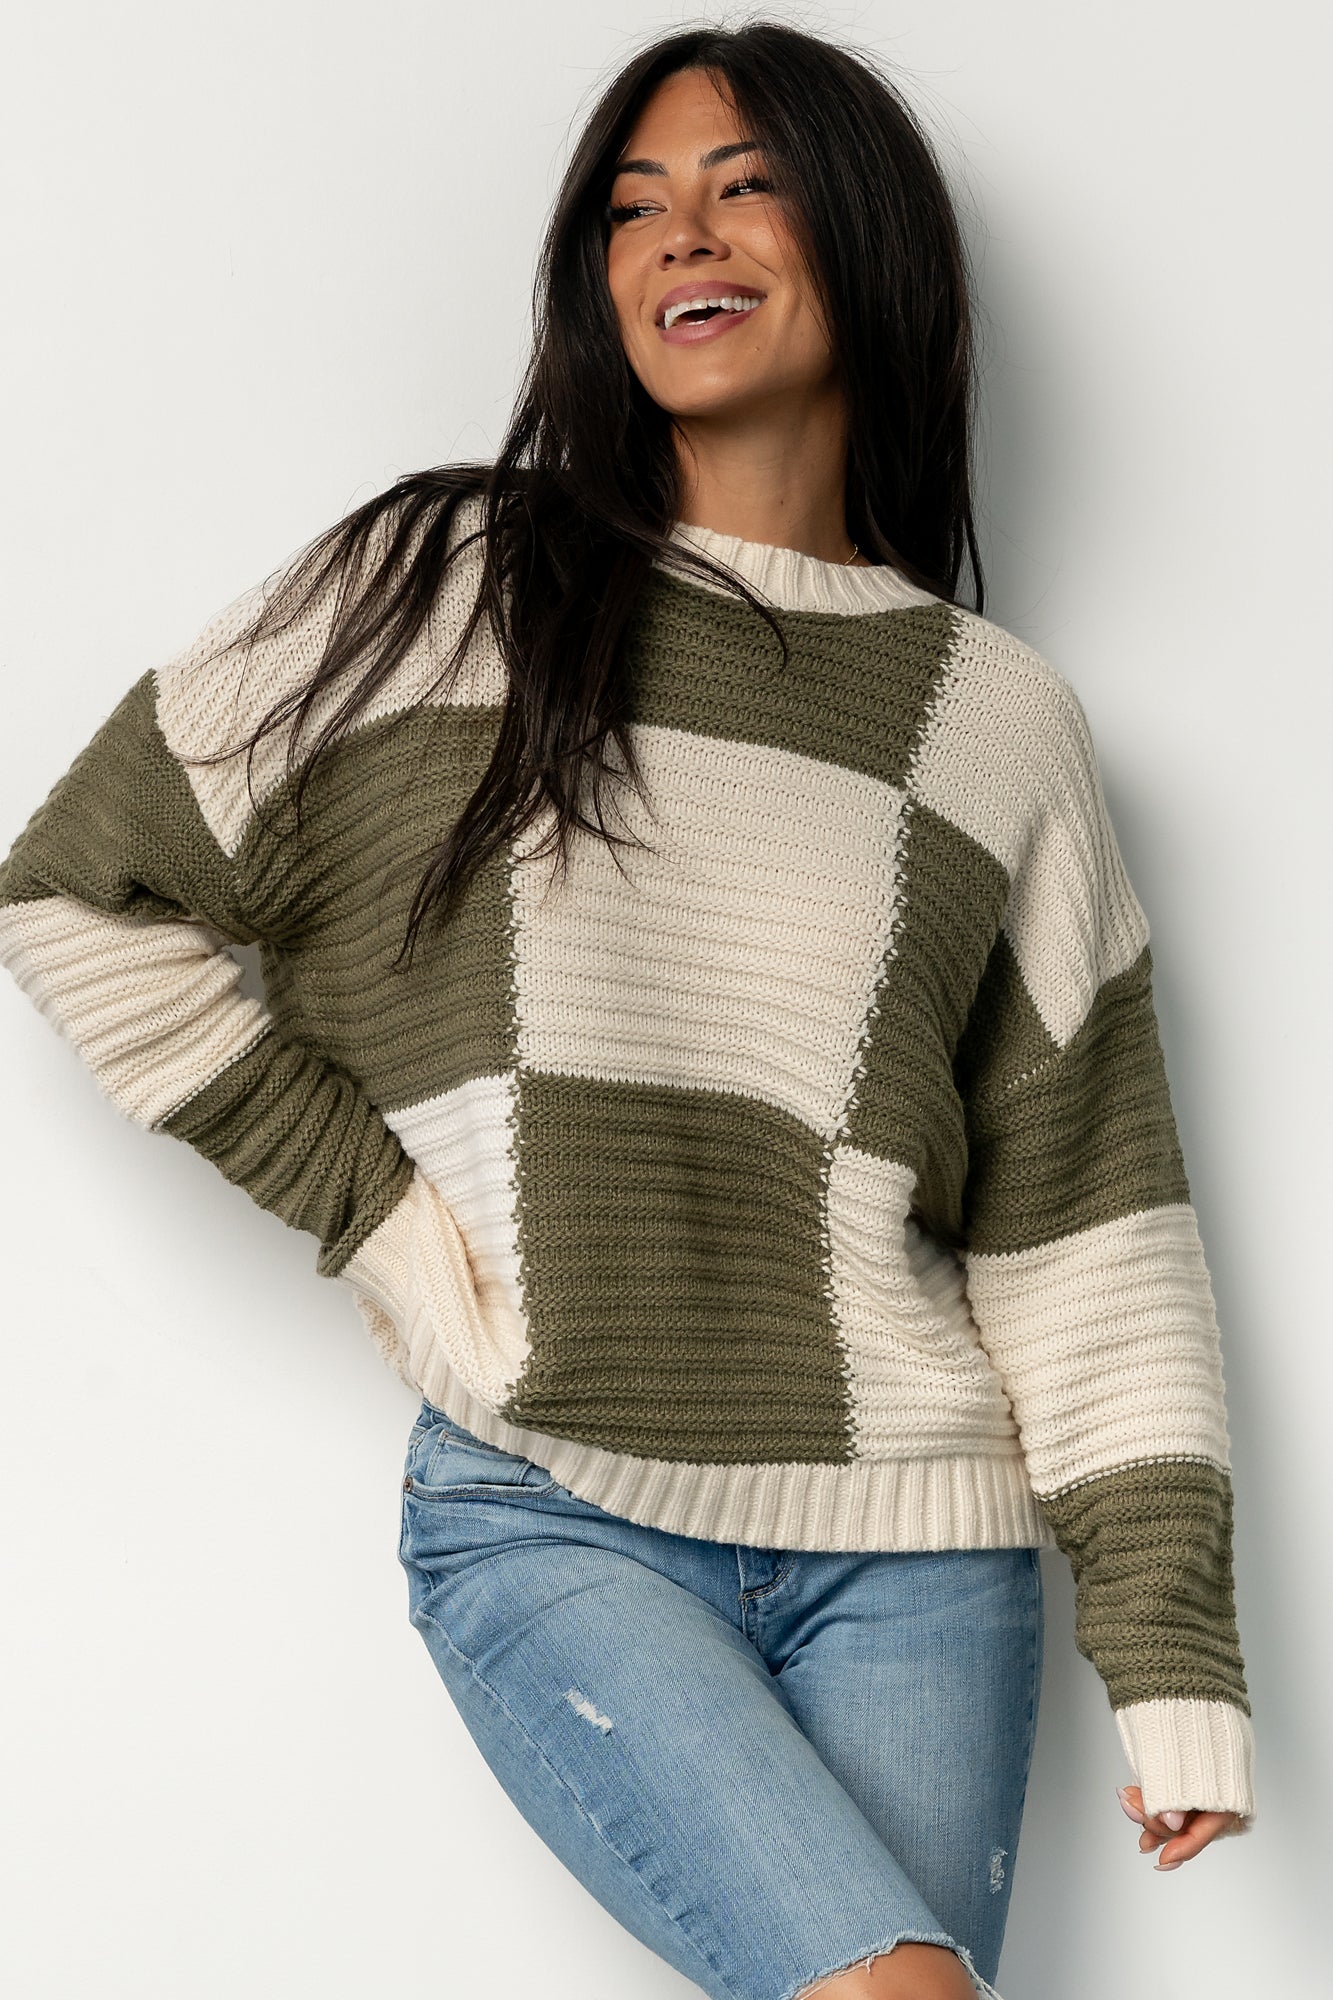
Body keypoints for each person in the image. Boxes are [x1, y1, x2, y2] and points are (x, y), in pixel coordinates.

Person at [0, 20, 1254, 2000]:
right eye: (632, 203)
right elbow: (79, 887)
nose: (685, 234)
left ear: (865, 239)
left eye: (746, 185)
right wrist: (380, 1218)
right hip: (556, 1506)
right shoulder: (445, 587)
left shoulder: (998, 721)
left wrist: (1171, 1648)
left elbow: (1086, 1221)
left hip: (923, 1553)